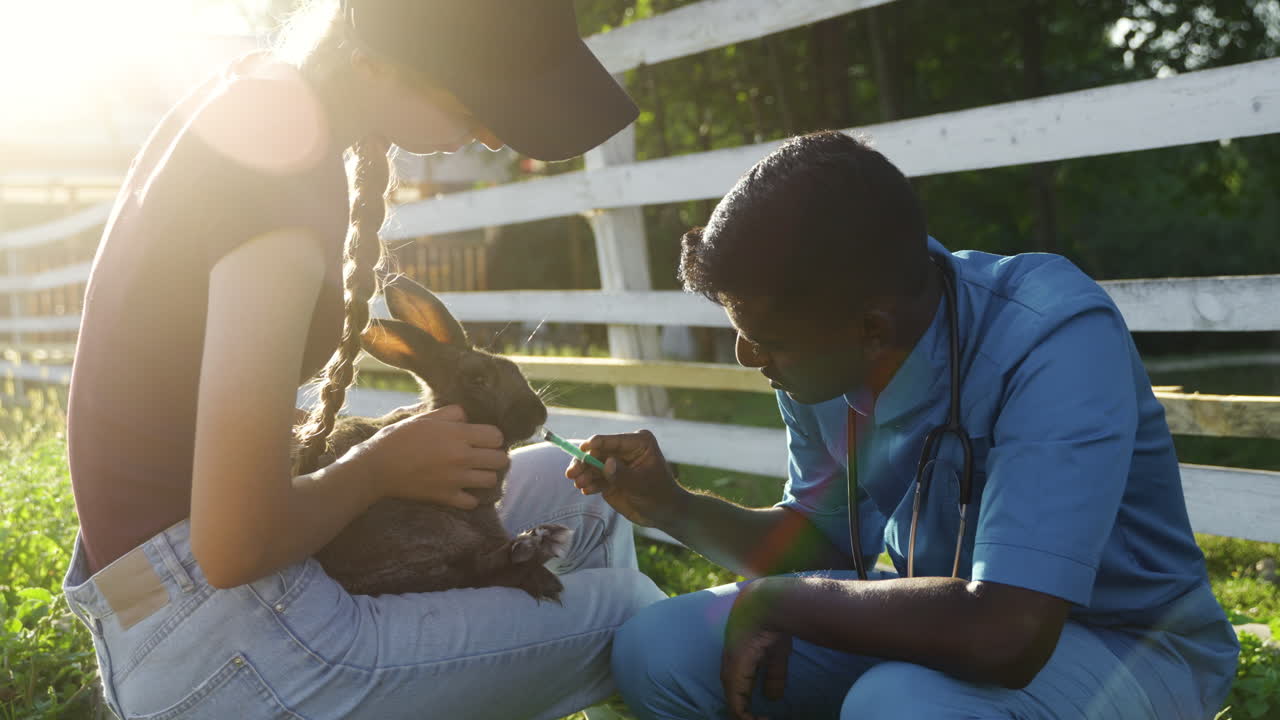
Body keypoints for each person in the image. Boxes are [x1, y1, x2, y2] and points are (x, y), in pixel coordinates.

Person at [61, 1, 666, 718]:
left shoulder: (257, 101)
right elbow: (233, 546)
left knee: (585, 503)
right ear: (376, 58)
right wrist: (379, 468)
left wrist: (384, 457)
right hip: (218, 634)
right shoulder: (278, 182)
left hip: (156, 592)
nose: (494, 135)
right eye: (475, 99)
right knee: (636, 615)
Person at [567, 130, 1240, 719]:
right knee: (656, 649)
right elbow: (823, 549)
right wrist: (673, 507)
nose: (749, 356)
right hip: (936, 619)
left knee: (897, 704)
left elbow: (1008, 634)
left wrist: (783, 603)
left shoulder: (1054, 337)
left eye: (764, 338)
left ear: (871, 329)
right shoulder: (824, 340)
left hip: (1128, 644)